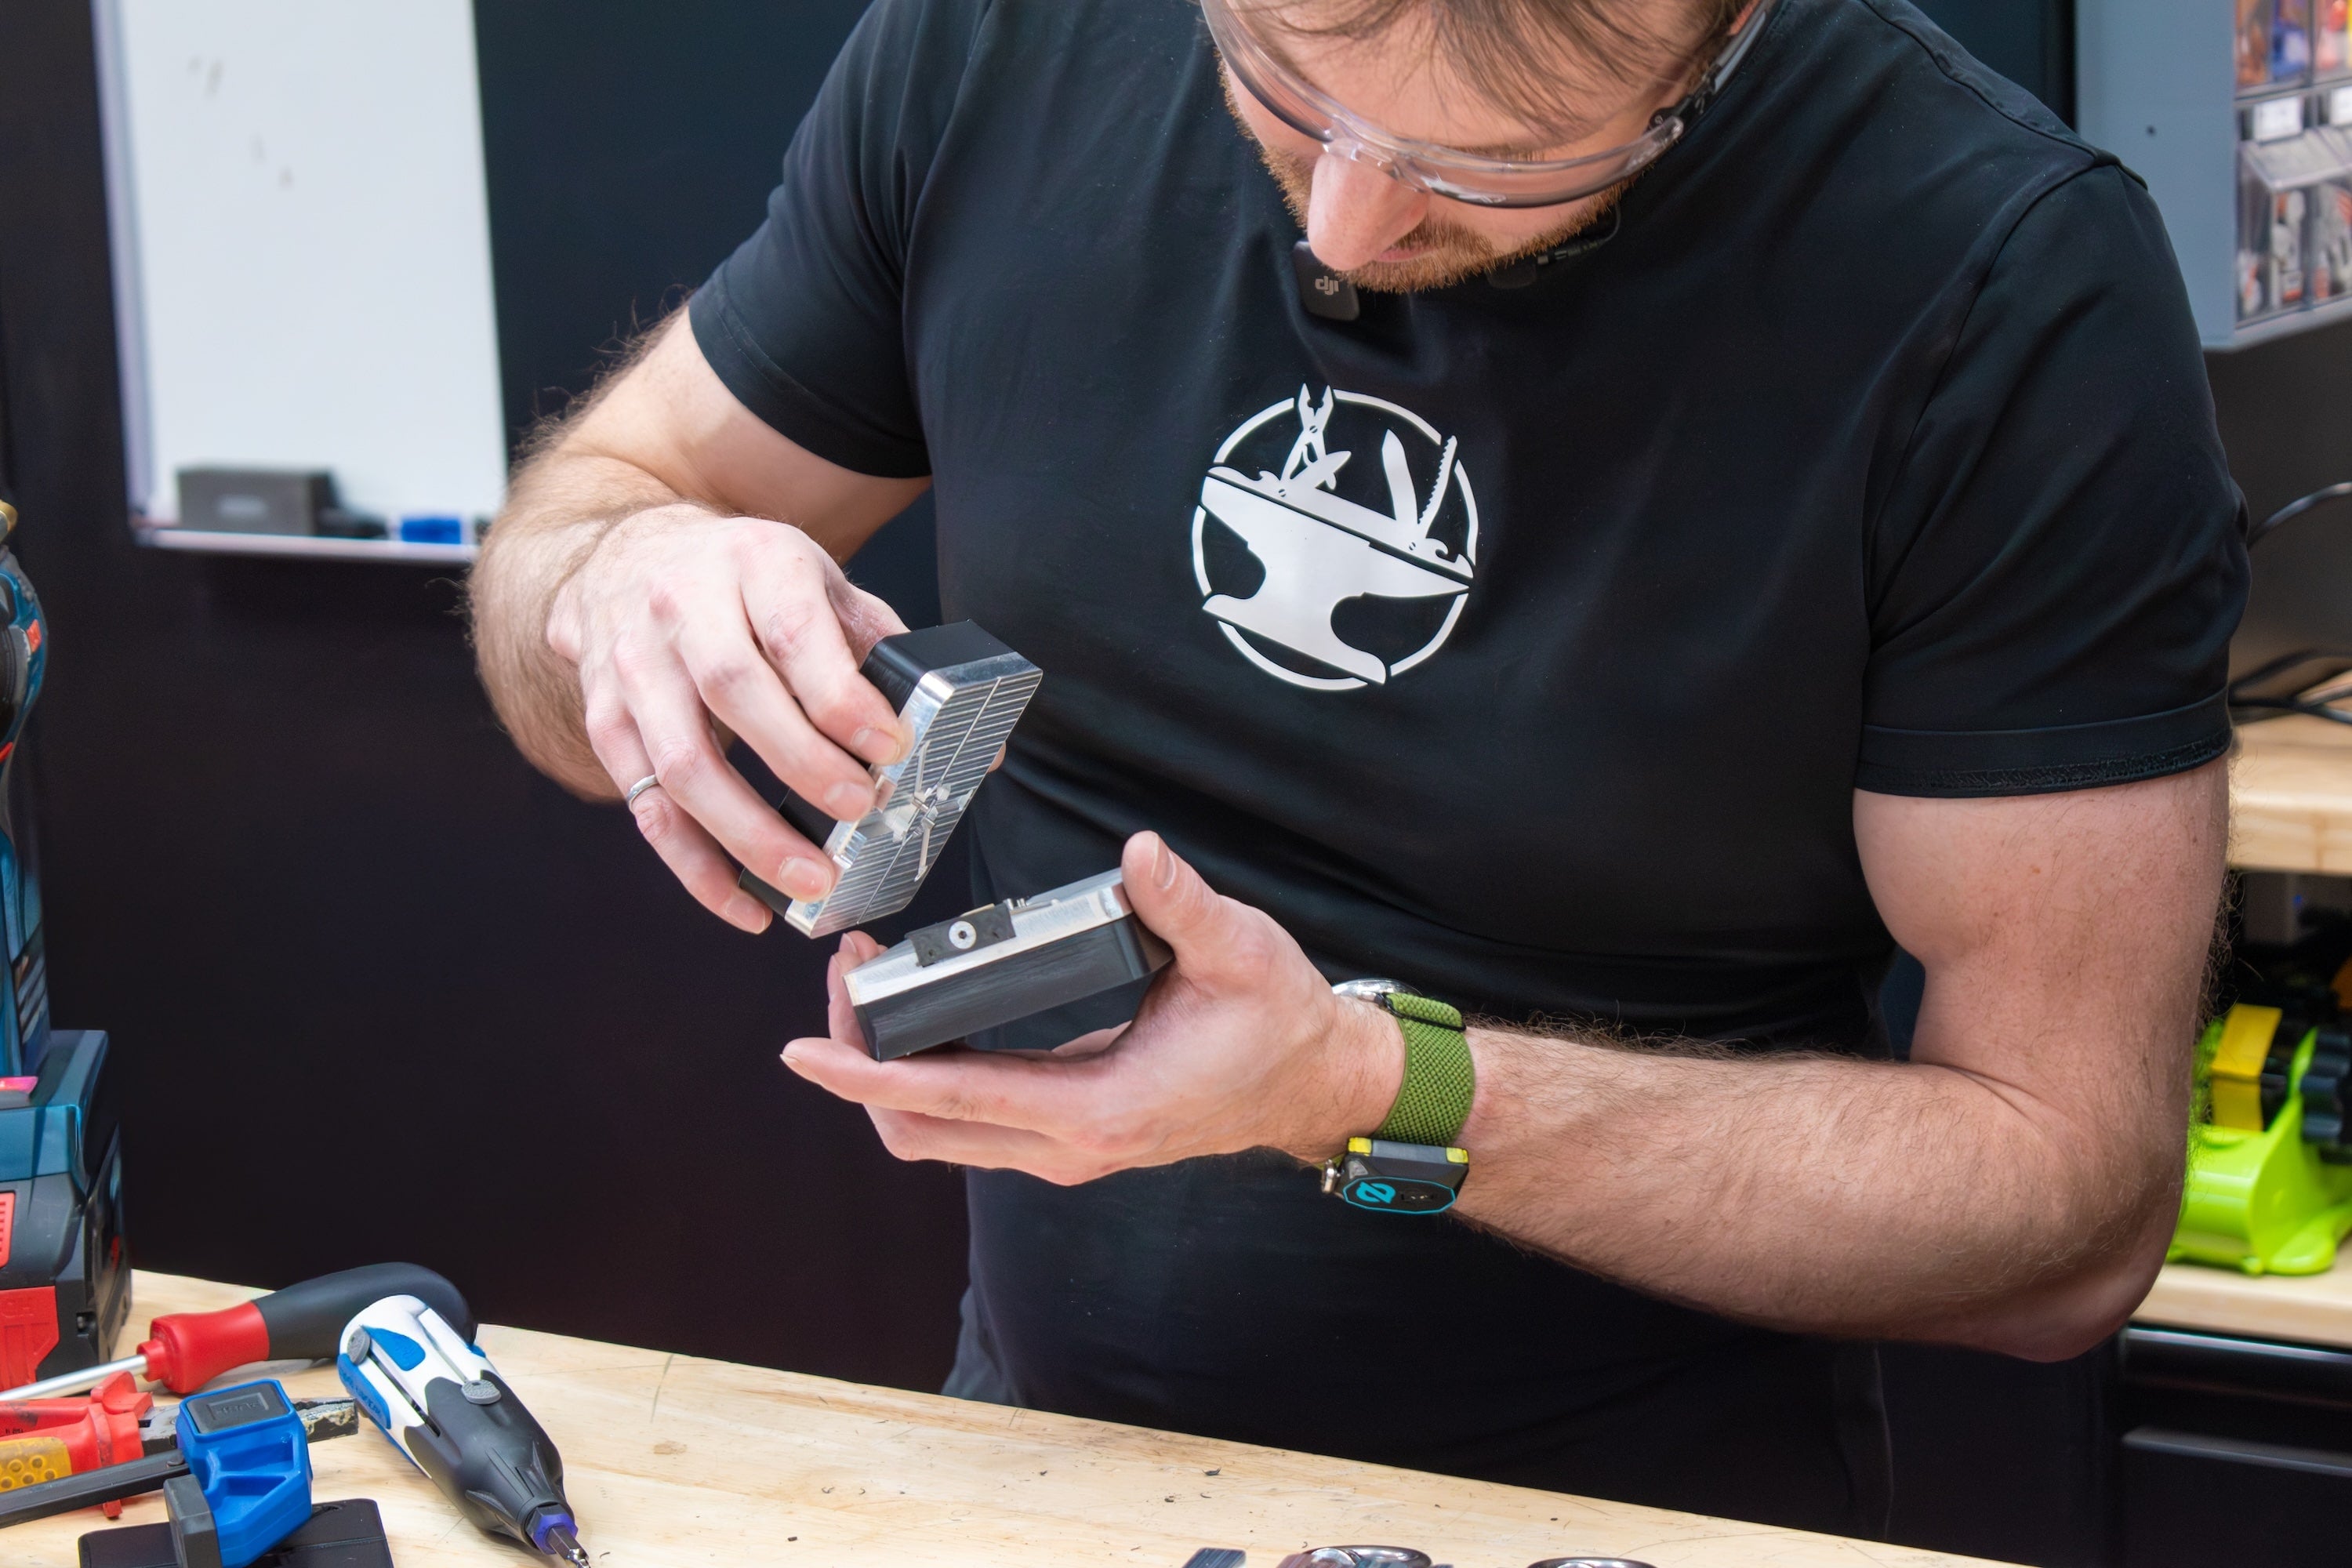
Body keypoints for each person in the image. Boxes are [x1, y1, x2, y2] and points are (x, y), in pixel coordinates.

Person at [470, 0, 2247, 1536]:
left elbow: (2065, 1214)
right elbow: (578, 522)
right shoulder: (1004, 41)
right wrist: (615, 581)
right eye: (1288, 86)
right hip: (1027, 1479)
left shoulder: (1999, 284)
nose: (1345, 223)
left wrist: (1363, 1082)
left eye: (1497, 165)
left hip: (1622, 1523)